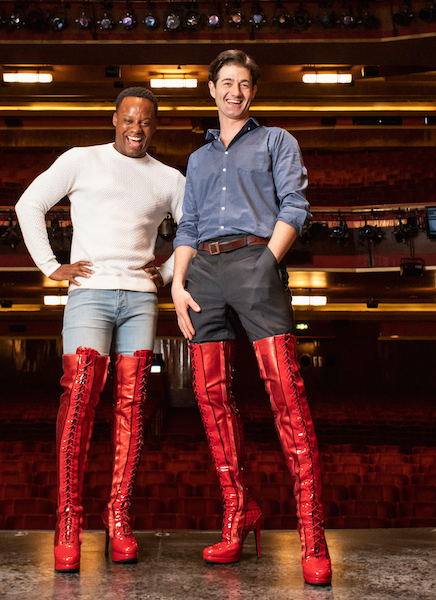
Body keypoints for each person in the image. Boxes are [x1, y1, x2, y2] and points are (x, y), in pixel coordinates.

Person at [170, 50, 332, 586]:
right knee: (211, 399)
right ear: (211, 90)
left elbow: (295, 206)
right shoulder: (196, 159)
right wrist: (177, 283)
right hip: (203, 277)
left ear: (252, 92)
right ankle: (238, 515)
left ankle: (312, 535)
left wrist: (267, 264)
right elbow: (188, 224)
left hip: (256, 262)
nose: (234, 91)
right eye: (226, 83)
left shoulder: (277, 141)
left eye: (244, 84)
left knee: (286, 395)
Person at [16, 86, 185, 573]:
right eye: (129, 119)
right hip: (89, 293)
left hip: (140, 300)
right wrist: (51, 266)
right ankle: (68, 520)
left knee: (133, 408)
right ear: (114, 119)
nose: (137, 128)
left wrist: (168, 273)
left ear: (156, 126)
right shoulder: (81, 159)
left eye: (147, 122)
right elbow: (29, 205)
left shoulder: (170, 178)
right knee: (80, 400)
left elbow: (193, 229)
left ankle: (120, 518)